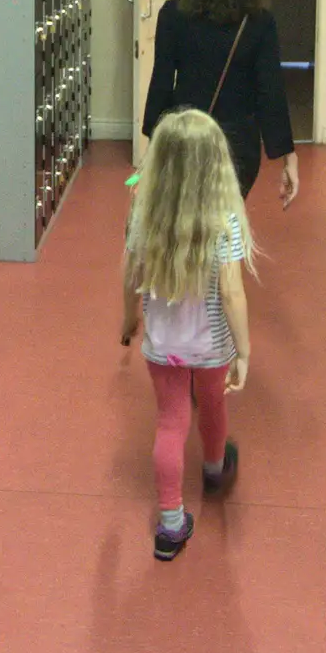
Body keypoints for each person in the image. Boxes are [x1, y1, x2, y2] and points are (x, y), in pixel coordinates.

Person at [121, 108, 253, 561]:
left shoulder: (146, 216)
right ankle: (215, 469)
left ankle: (171, 524)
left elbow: (129, 276)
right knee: (213, 402)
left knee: (170, 422)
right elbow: (233, 291)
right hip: (212, 343)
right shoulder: (223, 222)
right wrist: (244, 349)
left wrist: (128, 319)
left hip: (163, 345)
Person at [141, 0, 300, 208]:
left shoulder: (173, 14)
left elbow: (162, 82)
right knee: (226, 225)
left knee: (184, 221)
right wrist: (288, 156)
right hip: (236, 144)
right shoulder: (259, 22)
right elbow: (270, 92)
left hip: (185, 137)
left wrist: (154, 142)